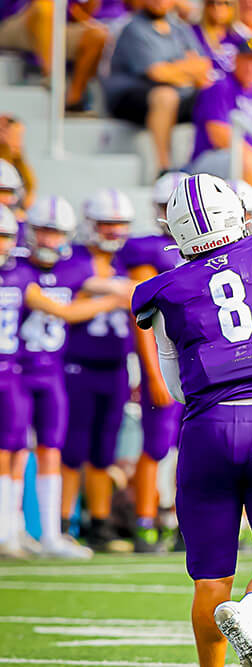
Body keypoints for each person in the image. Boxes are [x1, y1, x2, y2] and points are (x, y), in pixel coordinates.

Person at [131, 174, 252, 667]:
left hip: (208, 428)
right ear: (236, 214)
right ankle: (251, 612)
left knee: (211, 577)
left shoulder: (162, 292)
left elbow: (175, 388)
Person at [0, 205, 126, 559]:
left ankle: (50, 534)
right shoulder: (18, 268)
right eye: (43, 230)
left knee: (51, 449)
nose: (49, 239)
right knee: (13, 449)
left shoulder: (74, 267)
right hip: (18, 371)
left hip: (51, 371)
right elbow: (68, 311)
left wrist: (125, 292)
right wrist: (112, 301)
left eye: (56, 232)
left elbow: (105, 286)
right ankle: (9, 530)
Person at [59, 190, 136, 553]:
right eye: (106, 224)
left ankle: (100, 523)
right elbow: (72, 302)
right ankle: (62, 523)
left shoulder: (123, 264)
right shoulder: (75, 261)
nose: (113, 232)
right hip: (78, 366)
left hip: (115, 368)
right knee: (73, 447)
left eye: (119, 224)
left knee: (105, 450)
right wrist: (116, 295)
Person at [117, 172, 185, 552]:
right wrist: (155, 371)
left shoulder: (202, 249)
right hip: (167, 357)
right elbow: (143, 315)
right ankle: (145, 520)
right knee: (156, 445)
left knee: (189, 445)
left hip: (198, 359)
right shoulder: (149, 251)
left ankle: (179, 521)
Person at [104, 0, 212, 175]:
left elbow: (203, 65)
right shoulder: (134, 29)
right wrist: (186, 70)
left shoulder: (179, 28)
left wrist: (174, 70)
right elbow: (156, 73)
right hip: (129, 97)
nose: (159, 2)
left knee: (213, 92)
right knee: (165, 95)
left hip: (176, 93)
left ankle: (207, 164)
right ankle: (163, 168)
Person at [189, 36, 252, 200]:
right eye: (245, 60)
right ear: (235, 59)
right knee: (248, 162)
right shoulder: (220, 88)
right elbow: (220, 137)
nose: (250, 66)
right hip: (213, 159)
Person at [0, 0, 107, 110]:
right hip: (13, 20)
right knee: (44, 6)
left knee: (97, 37)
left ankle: (73, 100)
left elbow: (80, 13)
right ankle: (52, 77)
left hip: (55, 26)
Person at [190, 0, 242, 80]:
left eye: (225, 3)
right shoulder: (191, 33)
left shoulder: (238, 40)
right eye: (211, 2)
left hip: (232, 90)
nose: (216, 7)